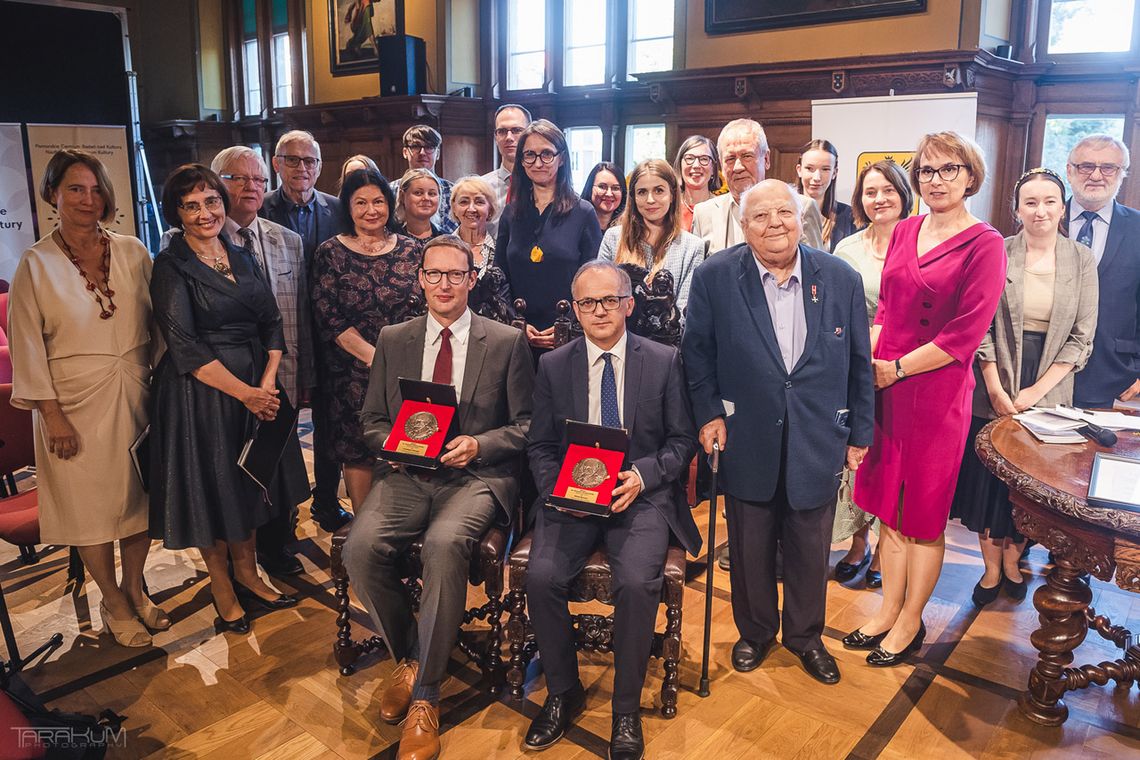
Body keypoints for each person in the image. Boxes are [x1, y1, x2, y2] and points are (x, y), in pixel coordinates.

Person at [343, 235, 535, 760]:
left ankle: (425, 696)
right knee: (358, 549)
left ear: (472, 279)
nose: (444, 284)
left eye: (456, 275)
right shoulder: (394, 338)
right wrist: (397, 446)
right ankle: (412, 653)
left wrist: (478, 444)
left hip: (475, 478)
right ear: (420, 279)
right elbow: (372, 422)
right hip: (407, 477)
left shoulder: (505, 341)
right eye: (435, 274)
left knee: (445, 544)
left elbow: (526, 425)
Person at [682, 179, 874, 686]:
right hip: (744, 434)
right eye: (761, 216)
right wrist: (707, 415)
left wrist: (861, 433)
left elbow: (859, 361)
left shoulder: (840, 278)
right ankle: (756, 632)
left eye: (784, 213)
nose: (774, 224)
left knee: (812, 547)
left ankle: (806, 637)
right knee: (750, 545)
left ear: (801, 217)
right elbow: (696, 355)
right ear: (743, 227)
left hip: (818, 436)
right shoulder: (714, 277)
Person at [524, 260, 699, 760]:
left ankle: (625, 707)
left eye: (607, 300)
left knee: (635, 582)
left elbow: (681, 440)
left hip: (639, 495)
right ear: (574, 309)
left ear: (628, 303)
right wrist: (560, 489)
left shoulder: (663, 360)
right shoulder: (554, 365)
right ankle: (563, 691)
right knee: (542, 576)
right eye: (586, 302)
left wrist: (642, 475)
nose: (598, 311)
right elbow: (539, 446)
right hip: (573, 498)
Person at [849, 132, 1006, 666]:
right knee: (888, 511)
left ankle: (912, 621)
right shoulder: (906, 229)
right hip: (885, 388)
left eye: (948, 169)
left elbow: (964, 336)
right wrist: (863, 362)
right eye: (927, 171)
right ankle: (887, 609)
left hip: (935, 394)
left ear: (969, 176)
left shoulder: (986, 243)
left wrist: (894, 368)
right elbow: (885, 312)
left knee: (922, 516)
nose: (936, 180)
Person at [8, 150, 168, 648]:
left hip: (137, 393)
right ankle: (113, 601)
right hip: (72, 407)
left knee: (139, 501)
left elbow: (159, 325)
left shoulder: (133, 251)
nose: (87, 199)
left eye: (96, 189)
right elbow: (27, 346)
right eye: (75, 189)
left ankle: (133, 586)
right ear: (53, 194)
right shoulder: (35, 264)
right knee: (91, 509)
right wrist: (50, 415)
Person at [150, 164, 301, 634]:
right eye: (190, 206)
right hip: (202, 394)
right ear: (175, 213)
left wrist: (269, 381)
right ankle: (222, 586)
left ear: (223, 201)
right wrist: (247, 395)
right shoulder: (171, 266)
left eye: (210, 201)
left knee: (249, 484)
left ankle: (249, 573)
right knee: (213, 490)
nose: (203, 213)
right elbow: (185, 347)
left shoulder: (241, 253)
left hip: (257, 383)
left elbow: (272, 322)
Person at [951, 167, 1098, 606]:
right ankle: (991, 570)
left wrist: (1036, 394)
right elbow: (980, 326)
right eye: (1030, 202)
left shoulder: (1081, 259)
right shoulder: (998, 251)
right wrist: (996, 388)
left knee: (1031, 485)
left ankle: (1015, 562)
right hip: (994, 374)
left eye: (1050, 201)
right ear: (1017, 209)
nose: (1040, 210)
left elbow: (1082, 336)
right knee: (990, 482)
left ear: (1063, 206)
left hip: (1052, 382)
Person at [214, 146, 314, 578]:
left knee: (279, 464)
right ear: (218, 183)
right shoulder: (196, 242)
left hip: (284, 374)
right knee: (233, 471)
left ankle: (277, 545)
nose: (252, 188)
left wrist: (304, 374)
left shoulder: (287, 240)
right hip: (228, 380)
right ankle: (238, 559)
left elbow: (301, 317)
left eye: (258, 180)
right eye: (240, 179)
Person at [310, 168, 421, 510]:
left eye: (378, 201)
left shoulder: (413, 249)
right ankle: (362, 531)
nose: (371, 210)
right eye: (361, 203)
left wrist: (399, 361)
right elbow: (328, 315)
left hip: (409, 367)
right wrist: (376, 358)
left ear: (389, 204)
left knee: (409, 445)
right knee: (357, 450)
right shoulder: (330, 252)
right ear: (348, 207)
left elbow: (426, 307)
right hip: (352, 372)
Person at [260, 129, 351, 532]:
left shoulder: (337, 209)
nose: (302, 168)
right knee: (281, 428)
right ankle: (281, 516)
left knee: (330, 427)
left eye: (310, 160)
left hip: (331, 337)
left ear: (319, 166)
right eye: (293, 160)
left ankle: (327, 503)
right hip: (280, 338)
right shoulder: (259, 210)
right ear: (276, 163)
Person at [831, 160, 914, 588]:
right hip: (854, 365)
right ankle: (858, 543)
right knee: (856, 457)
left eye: (887, 190)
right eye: (869, 191)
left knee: (891, 459)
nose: (879, 199)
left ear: (903, 194)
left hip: (904, 368)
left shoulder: (920, 243)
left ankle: (885, 549)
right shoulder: (847, 248)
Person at [496, 119, 603, 353]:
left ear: (561, 158)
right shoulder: (510, 213)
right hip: (516, 334)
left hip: (570, 335)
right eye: (530, 155)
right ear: (522, 162)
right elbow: (500, 276)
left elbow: (593, 281)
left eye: (546, 154)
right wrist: (515, 321)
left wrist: (570, 324)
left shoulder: (583, 212)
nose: (538, 162)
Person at [1065, 134, 1140, 409]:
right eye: (1086, 166)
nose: (1096, 175)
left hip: (1112, 375)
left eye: (1108, 167)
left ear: (1122, 174)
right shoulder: (1043, 218)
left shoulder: (1138, 229)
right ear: (1069, 170)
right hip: (1036, 372)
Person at [691, 119, 824, 254]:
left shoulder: (802, 207)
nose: (738, 167)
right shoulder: (704, 213)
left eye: (747, 156)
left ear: (766, 159)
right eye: (730, 159)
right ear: (721, 163)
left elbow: (815, 267)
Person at [598, 159, 705, 314]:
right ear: (633, 198)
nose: (650, 200)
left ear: (673, 195)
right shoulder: (613, 238)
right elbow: (600, 295)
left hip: (668, 336)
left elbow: (684, 311)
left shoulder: (693, 247)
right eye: (642, 192)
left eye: (659, 190)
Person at [391, 125, 457, 234]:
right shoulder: (389, 190)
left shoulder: (453, 192)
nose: (422, 152)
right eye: (415, 146)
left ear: (438, 154)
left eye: (429, 147)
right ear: (405, 152)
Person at [794, 139, 855, 252]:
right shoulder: (784, 213)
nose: (817, 177)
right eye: (809, 169)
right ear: (799, 170)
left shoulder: (850, 217)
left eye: (825, 169)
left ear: (834, 173)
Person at [480, 103, 532, 230]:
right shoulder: (481, 187)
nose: (509, 137)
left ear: (530, 134)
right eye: (502, 131)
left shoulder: (543, 186)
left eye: (516, 130)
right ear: (495, 137)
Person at [449, 175, 499, 277]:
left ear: (490, 209)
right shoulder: (441, 249)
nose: (471, 209)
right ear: (454, 208)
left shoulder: (501, 250)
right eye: (464, 202)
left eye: (479, 202)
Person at [673, 135, 723, 232]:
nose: (696, 165)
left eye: (704, 159)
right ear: (680, 165)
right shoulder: (669, 208)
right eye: (690, 158)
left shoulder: (723, 209)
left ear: (713, 168)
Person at [394, 168, 444, 242]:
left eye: (431, 194)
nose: (426, 198)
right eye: (418, 193)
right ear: (402, 196)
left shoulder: (446, 239)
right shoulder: (390, 237)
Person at [582, 161, 627, 232]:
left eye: (615, 188)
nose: (609, 194)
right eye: (602, 187)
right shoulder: (578, 224)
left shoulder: (628, 229)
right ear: (590, 188)